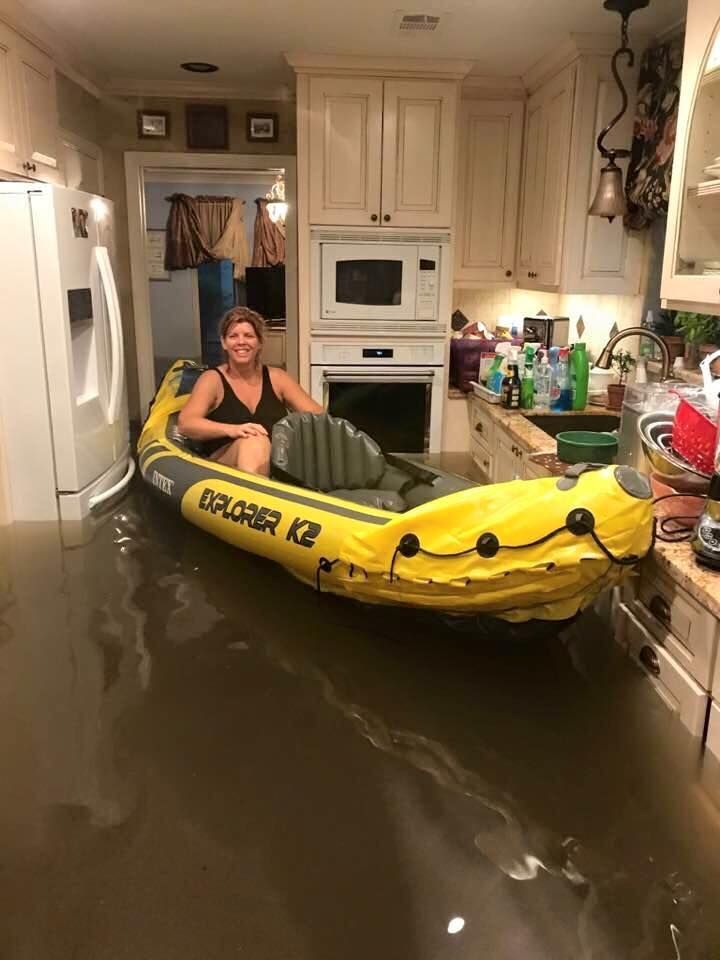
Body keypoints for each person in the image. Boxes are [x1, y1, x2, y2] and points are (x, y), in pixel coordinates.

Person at [178, 306, 322, 476]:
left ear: (259, 342)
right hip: (223, 465)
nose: (241, 342)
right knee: (253, 441)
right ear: (224, 342)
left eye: (249, 336)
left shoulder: (277, 378)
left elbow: (318, 416)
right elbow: (186, 423)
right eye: (233, 336)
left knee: (263, 444)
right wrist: (233, 429)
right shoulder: (212, 379)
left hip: (272, 461)